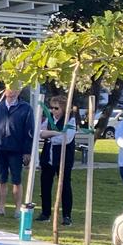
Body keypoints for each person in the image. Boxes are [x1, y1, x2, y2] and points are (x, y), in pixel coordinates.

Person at [0, 83, 34, 217]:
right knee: (1, 179)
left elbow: (29, 131)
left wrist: (27, 151)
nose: (12, 92)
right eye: (9, 89)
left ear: (19, 91)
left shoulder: (26, 108)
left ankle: (18, 210)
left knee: (17, 180)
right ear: (5, 90)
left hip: (17, 150)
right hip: (0, 148)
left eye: (15, 89)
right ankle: (1, 209)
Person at [36, 95, 78, 225]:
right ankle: (45, 213)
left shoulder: (70, 120)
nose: (53, 111)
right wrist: (56, 133)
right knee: (45, 185)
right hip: (48, 157)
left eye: (56, 108)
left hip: (63, 158)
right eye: (51, 108)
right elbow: (40, 133)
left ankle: (67, 215)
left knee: (64, 185)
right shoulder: (49, 119)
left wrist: (51, 134)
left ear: (64, 109)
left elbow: (66, 139)